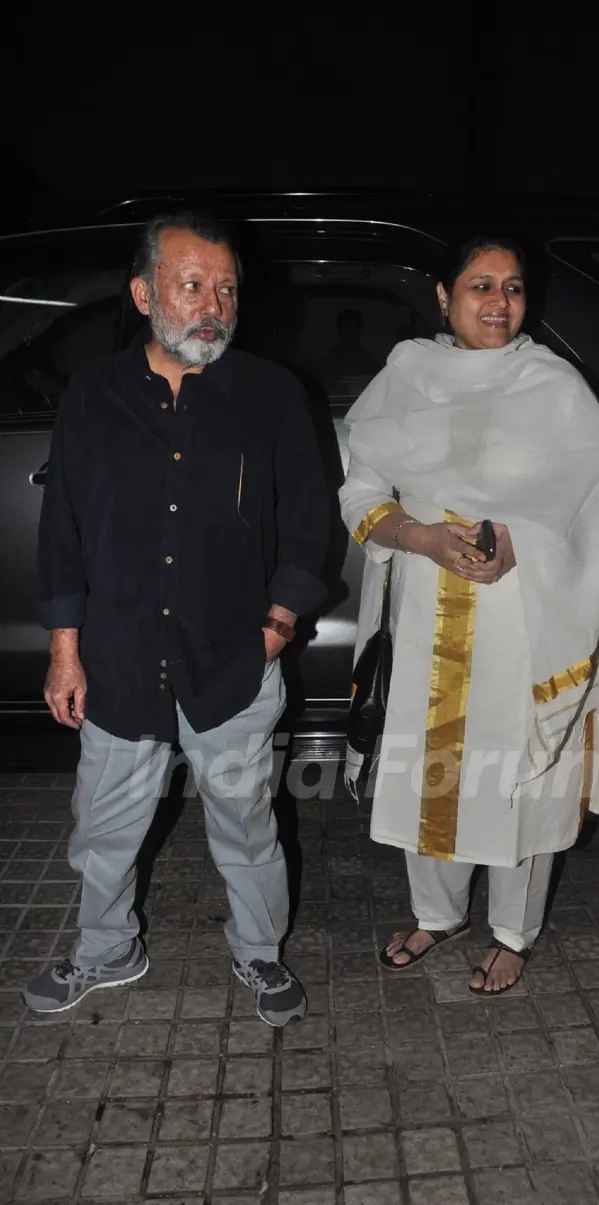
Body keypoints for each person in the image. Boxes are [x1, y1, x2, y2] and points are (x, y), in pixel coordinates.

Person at [24, 211, 329, 1027]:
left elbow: (308, 524)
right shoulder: (94, 395)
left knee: (247, 821)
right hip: (120, 659)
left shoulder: (268, 394)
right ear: (143, 292)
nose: (213, 304)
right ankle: (105, 949)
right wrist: (65, 650)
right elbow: (64, 533)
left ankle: (259, 952)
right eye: (193, 284)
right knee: (104, 826)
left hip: (233, 662)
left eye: (227, 288)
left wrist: (276, 626)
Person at [339, 236, 599, 994]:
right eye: (481, 285)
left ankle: (514, 930)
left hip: (524, 621)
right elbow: (360, 483)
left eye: (512, 286)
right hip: (424, 613)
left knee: (521, 775)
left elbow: (592, 507)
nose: (499, 302)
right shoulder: (406, 376)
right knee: (432, 773)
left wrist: (519, 541)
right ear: (444, 296)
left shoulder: (555, 387)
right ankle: (437, 912)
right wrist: (416, 535)